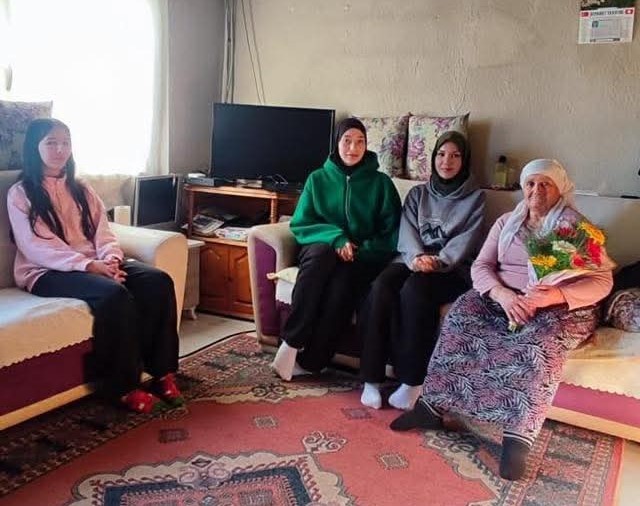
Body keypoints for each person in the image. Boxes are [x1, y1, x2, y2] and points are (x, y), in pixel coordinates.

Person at [389, 159, 614, 481]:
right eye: (530, 184)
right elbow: (481, 266)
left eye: (545, 184)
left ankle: (517, 437)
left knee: (536, 344)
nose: (536, 191)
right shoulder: (507, 222)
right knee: (461, 319)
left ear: (560, 189)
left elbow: (602, 281)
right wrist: (502, 295)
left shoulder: (577, 229)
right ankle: (431, 407)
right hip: (505, 298)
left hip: (559, 306)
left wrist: (552, 295)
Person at [7, 118, 183, 414]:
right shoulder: (21, 193)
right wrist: (90, 266)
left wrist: (111, 259)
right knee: (114, 295)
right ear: (34, 147)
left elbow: (103, 230)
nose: (60, 150)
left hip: (95, 262)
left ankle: (162, 372)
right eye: (51, 143)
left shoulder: (81, 188)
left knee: (157, 281)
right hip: (47, 271)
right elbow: (36, 246)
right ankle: (122, 387)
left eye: (65, 142)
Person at [358, 131, 485, 410]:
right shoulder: (418, 193)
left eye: (455, 156)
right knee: (382, 285)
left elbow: (467, 239)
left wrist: (439, 261)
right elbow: (407, 230)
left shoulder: (475, 199)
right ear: (433, 158)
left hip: (452, 270)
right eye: (441, 154)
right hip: (413, 260)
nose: (447, 162)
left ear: (465, 161)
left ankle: (412, 382)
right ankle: (371, 378)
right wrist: (417, 258)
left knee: (416, 290)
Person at [270, 118, 402, 381]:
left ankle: (311, 363)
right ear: (336, 143)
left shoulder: (381, 184)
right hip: (320, 249)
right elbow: (301, 224)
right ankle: (292, 342)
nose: (353, 148)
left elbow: (392, 232)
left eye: (360, 142)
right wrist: (337, 239)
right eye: (347, 141)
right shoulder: (317, 179)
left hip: (360, 258)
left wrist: (359, 250)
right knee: (322, 255)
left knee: (341, 290)